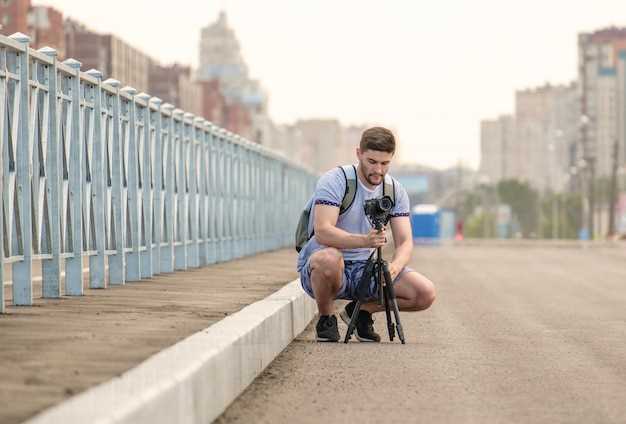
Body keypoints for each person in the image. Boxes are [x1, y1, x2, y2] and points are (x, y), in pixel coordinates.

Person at [297, 127, 436, 342]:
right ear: (358, 153)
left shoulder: (394, 190)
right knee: (328, 259)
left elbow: (405, 241)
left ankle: (361, 312)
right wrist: (364, 240)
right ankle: (326, 318)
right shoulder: (336, 180)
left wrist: (393, 267)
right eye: (372, 161)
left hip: (366, 267)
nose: (378, 170)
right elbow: (323, 231)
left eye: (385, 163)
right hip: (327, 264)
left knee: (424, 293)